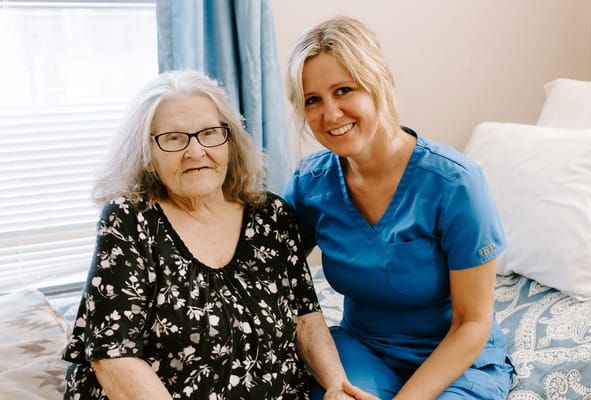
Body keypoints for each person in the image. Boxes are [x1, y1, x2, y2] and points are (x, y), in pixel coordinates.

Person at [62, 70, 376, 400]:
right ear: (148, 156)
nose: (196, 152)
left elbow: (306, 320)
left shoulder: (270, 215)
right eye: (173, 138)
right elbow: (113, 357)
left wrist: (337, 387)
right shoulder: (129, 220)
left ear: (230, 142)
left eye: (210, 133)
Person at [283, 16, 515, 399]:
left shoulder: (455, 183)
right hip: (364, 349)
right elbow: (263, 263)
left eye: (344, 90)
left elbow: (473, 322)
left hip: (455, 359)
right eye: (313, 100)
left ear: (380, 80)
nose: (330, 114)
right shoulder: (310, 183)